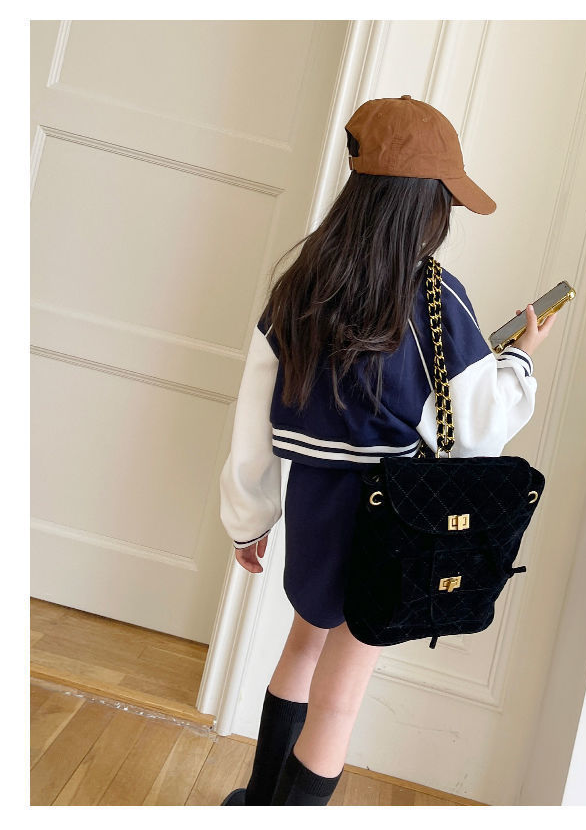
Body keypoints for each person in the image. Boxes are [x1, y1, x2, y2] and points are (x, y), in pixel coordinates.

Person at [218, 95, 558, 806]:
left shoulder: (301, 283)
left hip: (316, 508)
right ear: (427, 204)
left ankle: (256, 801)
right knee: (340, 701)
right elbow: (479, 427)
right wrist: (521, 358)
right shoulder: (436, 296)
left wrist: (249, 519)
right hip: (391, 522)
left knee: (301, 646)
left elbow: (253, 414)